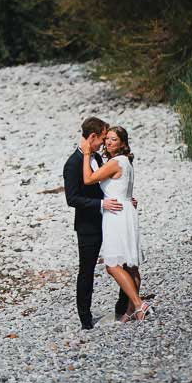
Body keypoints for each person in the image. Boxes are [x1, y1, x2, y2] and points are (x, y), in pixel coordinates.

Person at [63, 117, 130, 329]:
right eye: (102, 138)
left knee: (123, 261)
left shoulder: (98, 159)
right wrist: (102, 204)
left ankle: (124, 308)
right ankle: (85, 320)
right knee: (87, 271)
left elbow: (106, 185)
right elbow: (72, 199)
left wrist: (124, 199)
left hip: (110, 220)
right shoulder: (73, 163)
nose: (104, 143)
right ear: (92, 137)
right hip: (88, 226)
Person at [82, 125, 150, 321]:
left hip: (116, 214)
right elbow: (122, 188)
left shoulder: (116, 162)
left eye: (114, 139)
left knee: (112, 265)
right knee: (130, 265)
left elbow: (88, 179)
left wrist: (86, 154)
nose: (109, 142)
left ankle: (139, 304)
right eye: (108, 139)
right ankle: (131, 311)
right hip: (125, 209)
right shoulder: (126, 161)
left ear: (123, 143)